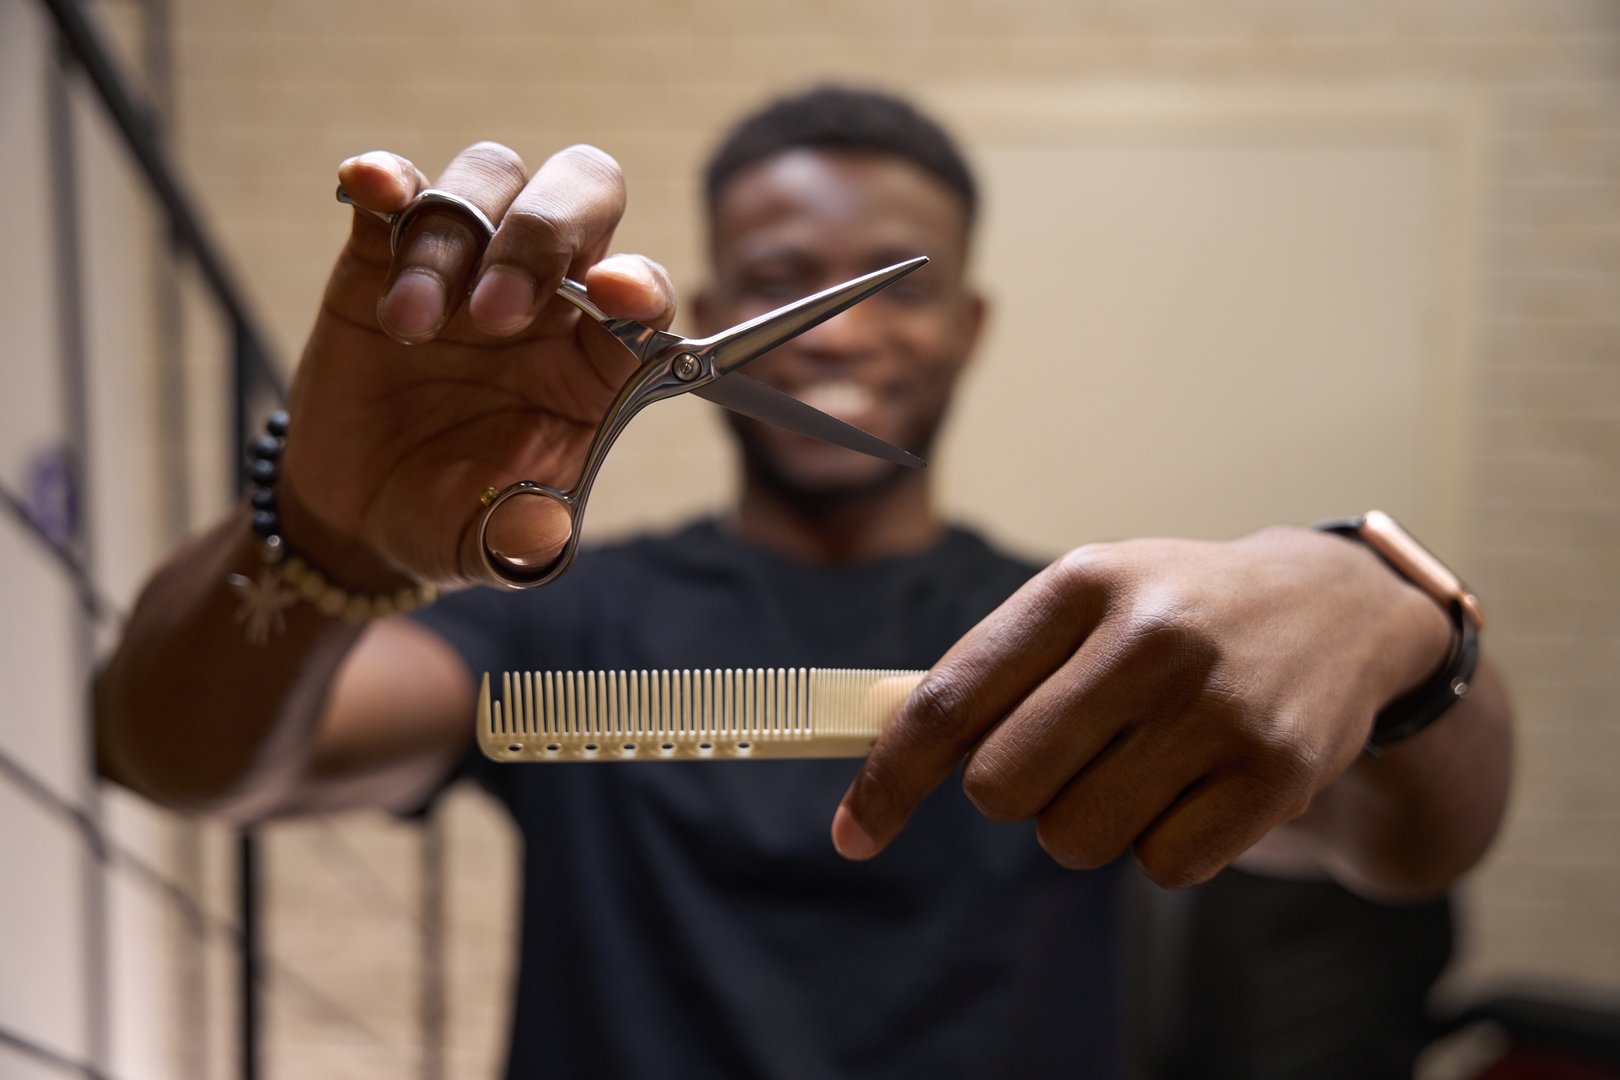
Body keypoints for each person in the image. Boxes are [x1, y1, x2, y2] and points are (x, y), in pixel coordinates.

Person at [96, 87, 1512, 1078]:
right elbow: (178, 756)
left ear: (969, 326)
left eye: (894, 286)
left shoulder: (1084, 635)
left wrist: (1393, 618)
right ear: (708, 322)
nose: (842, 333)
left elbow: (1418, 845)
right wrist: (322, 536)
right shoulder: (567, 615)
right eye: (784, 278)